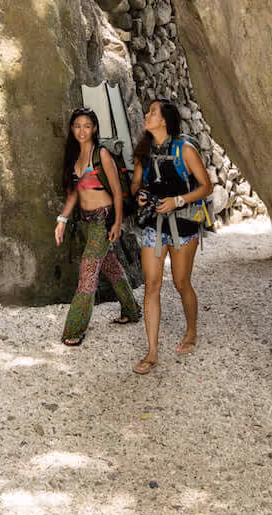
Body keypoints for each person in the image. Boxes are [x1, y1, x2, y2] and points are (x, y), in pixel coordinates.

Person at [130, 98, 212, 373]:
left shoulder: (185, 150)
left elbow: (206, 187)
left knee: (180, 282)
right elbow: (136, 187)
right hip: (154, 225)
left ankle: (191, 331)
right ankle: (152, 352)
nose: (147, 114)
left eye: (152, 112)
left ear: (164, 120)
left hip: (184, 225)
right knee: (151, 286)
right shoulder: (143, 151)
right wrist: (141, 197)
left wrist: (177, 201)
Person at [54, 108, 141, 346]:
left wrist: (116, 223)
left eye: (86, 126)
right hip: (87, 222)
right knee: (111, 266)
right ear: (72, 129)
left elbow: (116, 193)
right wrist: (62, 220)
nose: (82, 131)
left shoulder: (101, 154)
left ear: (94, 129)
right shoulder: (73, 157)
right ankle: (131, 311)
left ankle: (74, 329)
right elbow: (73, 193)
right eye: (77, 126)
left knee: (88, 273)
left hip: (104, 221)